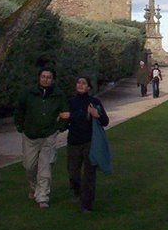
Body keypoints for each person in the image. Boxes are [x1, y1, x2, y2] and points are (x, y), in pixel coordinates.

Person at [14, 67, 69, 208]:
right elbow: (19, 110)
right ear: (39, 78)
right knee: (29, 166)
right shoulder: (28, 93)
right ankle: (34, 187)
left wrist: (60, 127)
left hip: (48, 135)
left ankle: (43, 196)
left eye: (48, 77)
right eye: (43, 76)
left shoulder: (58, 95)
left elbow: (66, 112)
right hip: (30, 136)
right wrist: (20, 126)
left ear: (53, 80)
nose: (45, 79)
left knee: (46, 167)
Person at [65, 76, 109, 212]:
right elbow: (64, 121)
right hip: (73, 141)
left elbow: (105, 121)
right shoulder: (70, 102)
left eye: (83, 83)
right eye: (78, 82)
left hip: (90, 142)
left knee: (89, 174)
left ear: (89, 87)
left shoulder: (94, 102)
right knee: (74, 173)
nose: (80, 85)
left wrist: (96, 114)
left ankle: (87, 204)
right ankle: (77, 191)